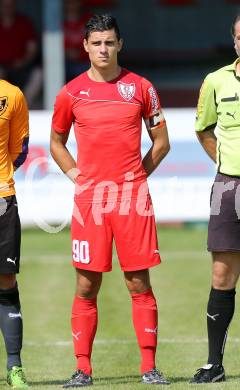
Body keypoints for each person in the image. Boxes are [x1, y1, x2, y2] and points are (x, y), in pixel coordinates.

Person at [51, 14, 170, 387]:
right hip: (90, 202)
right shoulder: (70, 92)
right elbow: (55, 142)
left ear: (119, 44)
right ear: (85, 46)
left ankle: (149, 368)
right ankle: (82, 369)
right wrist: (78, 177)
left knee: (138, 282)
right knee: (86, 286)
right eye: (96, 42)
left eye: (109, 42)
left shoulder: (141, 88)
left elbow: (161, 143)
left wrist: (134, 179)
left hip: (132, 199)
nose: (103, 49)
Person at [190, 14, 240, 384]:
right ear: (234, 40)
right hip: (229, 187)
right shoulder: (216, 81)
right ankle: (215, 364)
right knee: (222, 274)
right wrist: (223, 161)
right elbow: (204, 128)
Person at [0, 80, 29, 388]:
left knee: (5, 280)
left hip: (2, 200)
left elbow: (18, 150)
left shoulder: (11, 95)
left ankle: (14, 367)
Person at [0, 0, 42, 108]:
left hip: (22, 66)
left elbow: (32, 48)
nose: (7, 8)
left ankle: (22, 107)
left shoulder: (24, 23)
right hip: (2, 68)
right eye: (5, 5)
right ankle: (4, 110)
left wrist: (23, 62)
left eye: (10, 5)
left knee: (39, 74)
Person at [64, 0, 92, 82]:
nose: (72, 4)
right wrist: (66, 52)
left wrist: (82, 51)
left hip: (85, 62)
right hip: (64, 63)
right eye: (69, 2)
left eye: (75, 1)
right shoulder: (56, 21)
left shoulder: (90, 20)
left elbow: (99, 43)